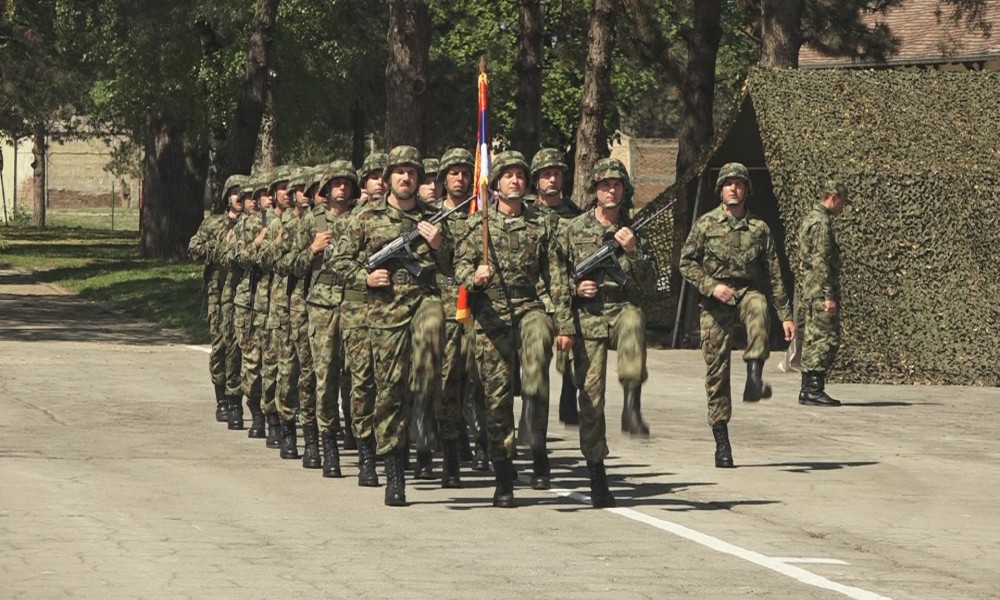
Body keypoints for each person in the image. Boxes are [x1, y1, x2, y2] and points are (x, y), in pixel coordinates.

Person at [453, 150, 574, 508]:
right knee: (497, 399)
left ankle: (536, 443)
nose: (515, 181)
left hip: (528, 306)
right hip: (491, 314)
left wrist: (565, 324)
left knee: (537, 348)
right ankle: (503, 473)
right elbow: (459, 267)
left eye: (520, 175)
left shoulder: (540, 225)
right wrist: (474, 278)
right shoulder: (478, 225)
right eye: (508, 175)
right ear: (496, 183)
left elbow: (556, 278)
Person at [331, 145, 450, 507]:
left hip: (423, 299)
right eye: (399, 172)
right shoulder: (366, 218)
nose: (406, 178)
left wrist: (438, 244)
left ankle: (426, 402)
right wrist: (365, 278)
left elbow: (453, 263)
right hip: (385, 313)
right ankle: (394, 472)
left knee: (434, 323)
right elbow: (340, 259)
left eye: (412, 172)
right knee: (388, 393)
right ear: (388, 178)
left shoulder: (432, 217)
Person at [678, 162, 794, 468]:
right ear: (720, 190)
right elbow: (686, 263)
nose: (734, 188)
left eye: (739, 184)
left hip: (745, 292)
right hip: (714, 300)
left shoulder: (759, 229)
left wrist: (785, 315)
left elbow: (774, 274)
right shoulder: (705, 224)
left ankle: (754, 375)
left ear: (746, 191)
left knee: (758, 306)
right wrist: (711, 286)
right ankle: (722, 441)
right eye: (728, 183)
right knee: (717, 371)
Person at [562, 158, 655, 507]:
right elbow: (553, 277)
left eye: (616, 185)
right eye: (604, 185)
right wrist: (574, 290)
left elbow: (651, 282)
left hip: (620, 307)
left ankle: (632, 398)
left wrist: (633, 250)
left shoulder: (632, 230)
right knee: (592, 399)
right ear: (595, 191)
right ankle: (596, 471)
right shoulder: (572, 229)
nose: (611, 190)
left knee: (634, 321)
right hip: (587, 316)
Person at [293, 160, 360, 477]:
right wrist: (313, 249)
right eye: (336, 183)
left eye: (346, 183)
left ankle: (360, 438)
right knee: (325, 376)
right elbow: (291, 265)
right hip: (322, 306)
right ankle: (324, 443)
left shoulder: (362, 218)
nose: (342, 188)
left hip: (357, 301)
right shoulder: (312, 220)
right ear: (326, 188)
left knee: (358, 376)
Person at [526, 147, 584, 437]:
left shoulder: (576, 216)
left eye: (557, 174)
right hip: (533, 295)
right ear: (536, 179)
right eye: (546, 174)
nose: (552, 179)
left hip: (568, 293)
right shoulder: (526, 214)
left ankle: (569, 389)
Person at [187, 174, 244, 422]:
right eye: (235, 192)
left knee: (240, 348)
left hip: (245, 294)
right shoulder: (213, 224)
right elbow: (194, 249)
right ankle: (222, 399)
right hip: (219, 294)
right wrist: (220, 249)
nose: (240, 197)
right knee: (221, 346)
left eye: (244, 193)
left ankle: (236, 399)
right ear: (227, 196)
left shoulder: (253, 224)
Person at [797, 180, 848, 407]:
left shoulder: (811, 218)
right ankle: (814, 389)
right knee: (824, 340)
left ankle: (807, 389)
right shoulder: (821, 224)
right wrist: (828, 296)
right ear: (834, 197)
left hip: (812, 289)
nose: (842, 207)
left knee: (813, 338)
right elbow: (821, 262)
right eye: (842, 202)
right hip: (820, 291)